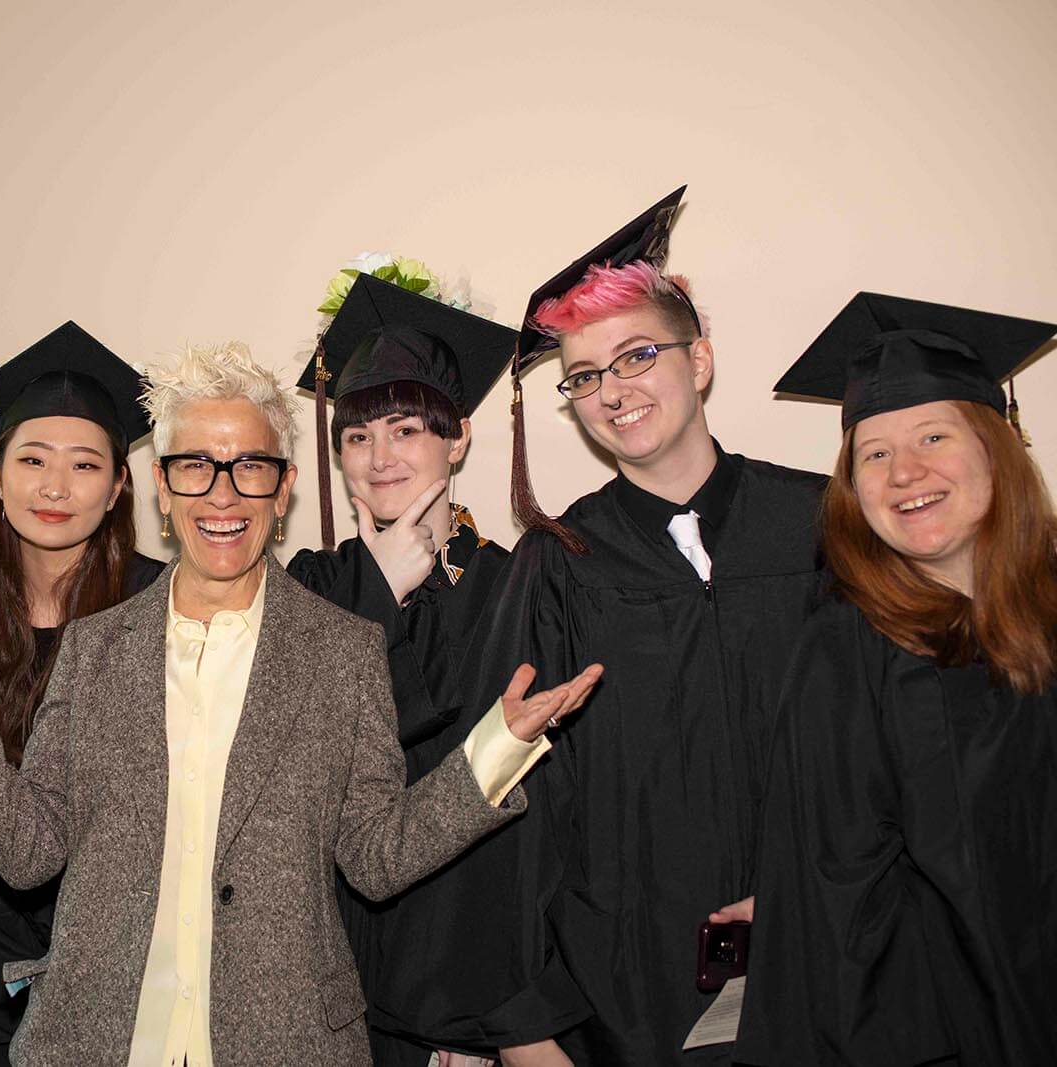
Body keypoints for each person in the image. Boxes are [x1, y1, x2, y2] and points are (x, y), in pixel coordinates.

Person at [0, 340, 602, 1065]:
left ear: (282, 489)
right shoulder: (94, 648)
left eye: (249, 468)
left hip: (284, 1039)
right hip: (100, 1038)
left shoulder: (342, 651)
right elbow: (30, 852)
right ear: (162, 487)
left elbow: (375, 855)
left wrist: (494, 749)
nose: (222, 496)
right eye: (196, 466)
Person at [452, 189, 828, 1066]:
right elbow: (509, 806)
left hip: (826, 970)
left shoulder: (820, 526)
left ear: (699, 362)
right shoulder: (562, 564)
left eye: (636, 356)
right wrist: (526, 1026)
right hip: (626, 1003)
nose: (610, 391)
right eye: (583, 376)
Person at [736, 293, 1057, 1065]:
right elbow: (832, 910)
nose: (905, 470)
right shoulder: (843, 653)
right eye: (873, 453)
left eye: (934, 435)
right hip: (936, 1035)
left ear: (996, 443)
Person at [287, 272, 521, 1065]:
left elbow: (517, 810)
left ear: (456, 439)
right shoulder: (307, 586)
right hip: (319, 976)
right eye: (357, 437)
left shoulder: (515, 588)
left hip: (455, 980)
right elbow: (292, 761)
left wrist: (484, 1018)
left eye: (406, 430)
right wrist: (376, 588)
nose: (380, 458)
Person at [0, 321, 165, 1063]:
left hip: (122, 986)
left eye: (85, 465)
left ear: (120, 483)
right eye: (32, 459)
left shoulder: (161, 611)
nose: (55, 487)